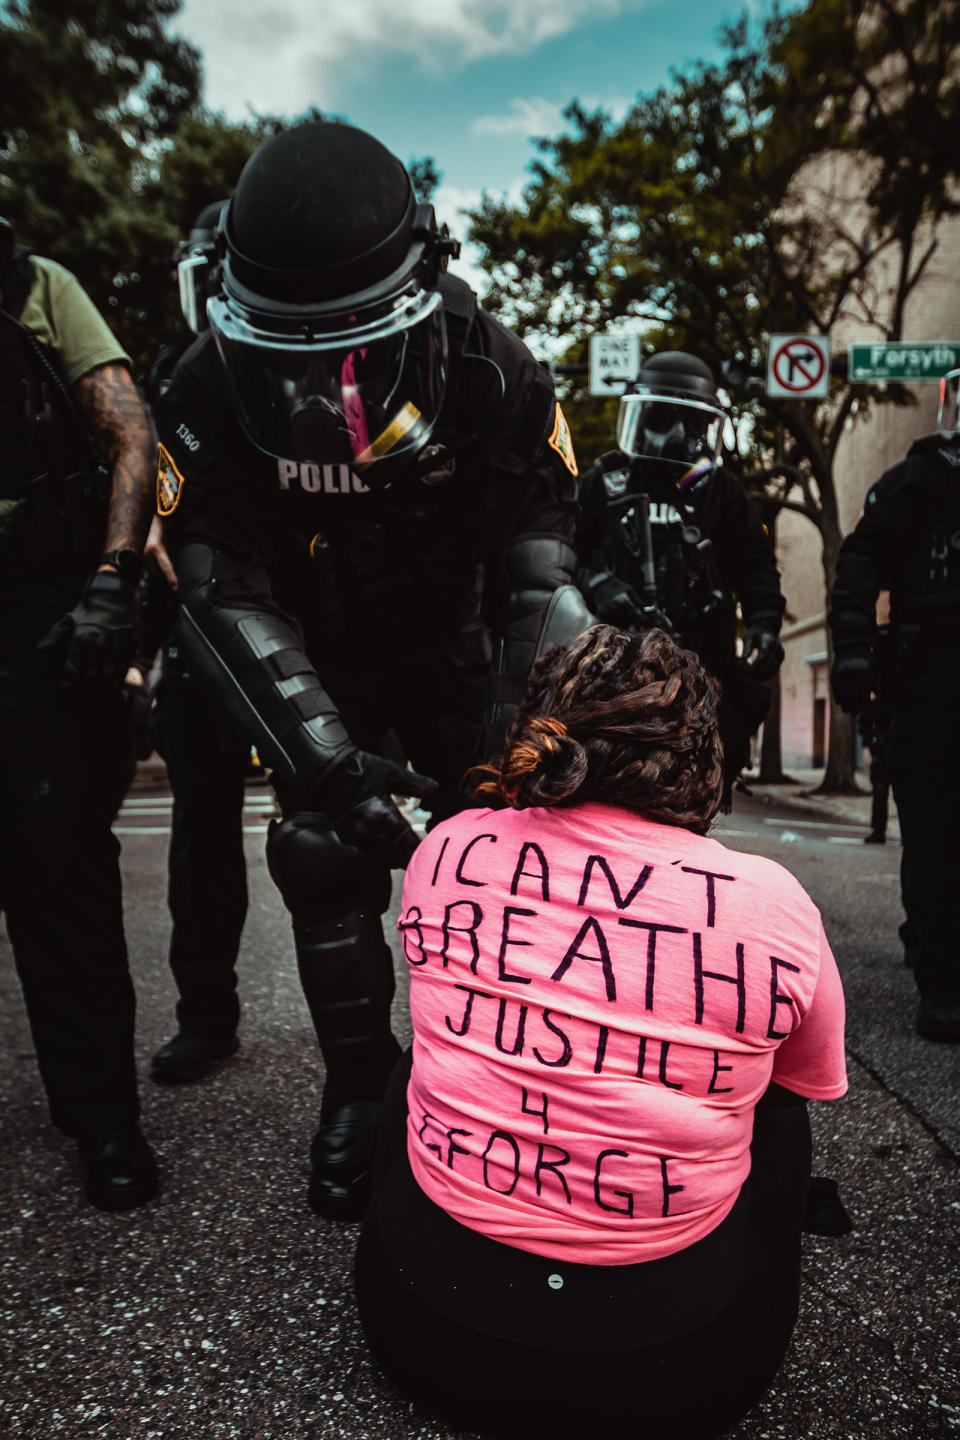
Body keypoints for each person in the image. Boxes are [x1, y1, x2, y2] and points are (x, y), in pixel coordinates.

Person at [152, 121, 593, 1217]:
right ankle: (362, 1085)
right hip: (321, 651)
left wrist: (509, 760)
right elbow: (219, 591)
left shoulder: (498, 371)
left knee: (508, 858)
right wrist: (335, 768)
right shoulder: (204, 390)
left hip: (458, 650)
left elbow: (540, 582)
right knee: (317, 846)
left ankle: (497, 1081)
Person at [354, 624, 847, 1440]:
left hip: (421, 1324)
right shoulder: (773, 902)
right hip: (684, 1370)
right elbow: (805, 1082)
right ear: (699, 748)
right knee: (776, 1105)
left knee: (417, 1060)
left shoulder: (447, 847)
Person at [0, 217, 159, 1208]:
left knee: (56, 868)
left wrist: (114, 577)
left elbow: (130, 433)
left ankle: (103, 1117)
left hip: (34, 604)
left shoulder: (31, 287)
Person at [142, 202, 252, 1085]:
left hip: (293, 623)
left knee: (330, 837)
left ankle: (364, 1042)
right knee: (201, 837)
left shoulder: (307, 377)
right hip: (193, 631)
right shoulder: (167, 377)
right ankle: (205, 1014)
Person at [575, 351, 784, 803]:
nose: (671, 435)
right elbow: (562, 556)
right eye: (659, 417)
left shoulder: (720, 491)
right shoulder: (603, 483)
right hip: (613, 672)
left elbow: (756, 565)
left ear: (702, 429)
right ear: (639, 414)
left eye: (685, 422)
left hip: (701, 671)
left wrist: (765, 625)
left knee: (690, 799)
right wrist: (599, 586)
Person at [830, 371, 960, 1043]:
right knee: (935, 827)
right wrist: (851, 650)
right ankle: (943, 979)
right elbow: (860, 564)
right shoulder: (918, 480)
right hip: (933, 678)